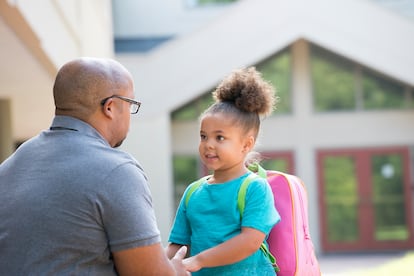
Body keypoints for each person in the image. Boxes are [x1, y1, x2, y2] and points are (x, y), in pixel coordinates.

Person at [0, 57, 190, 276]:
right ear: (110, 107)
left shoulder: (11, 165)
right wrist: (174, 270)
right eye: (131, 104)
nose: (130, 114)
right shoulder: (117, 171)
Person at [166, 67, 281, 275]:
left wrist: (199, 260)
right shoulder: (193, 192)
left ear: (246, 145)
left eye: (219, 138)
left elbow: (250, 242)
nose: (208, 144)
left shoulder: (255, 188)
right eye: (203, 136)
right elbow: (179, 246)